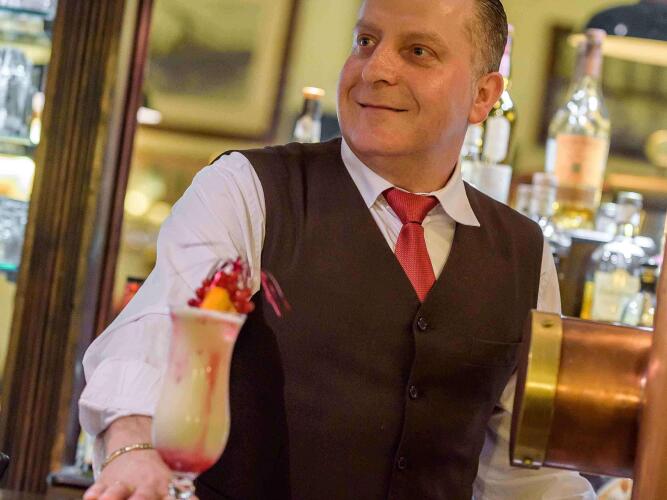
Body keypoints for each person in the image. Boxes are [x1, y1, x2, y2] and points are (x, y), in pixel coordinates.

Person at [81, 0, 596, 498]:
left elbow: (525, 477)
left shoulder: (524, 253)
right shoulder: (246, 189)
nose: (375, 69)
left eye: (418, 51)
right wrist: (135, 447)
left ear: (483, 96)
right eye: (366, 41)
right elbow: (157, 331)